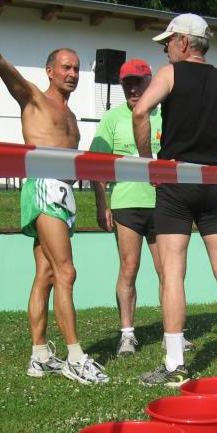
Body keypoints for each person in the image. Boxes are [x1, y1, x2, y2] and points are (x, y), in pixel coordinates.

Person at [0, 0, 108, 384]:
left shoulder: (72, 116)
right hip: (43, 188)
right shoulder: (33, 98)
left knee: (47, 274)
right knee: (66, 271)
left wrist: (99, 200)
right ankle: (75, 358)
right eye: (66, 67)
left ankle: (39, 355)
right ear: (50, 71)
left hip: (64, 195)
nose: (72, 73)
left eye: (77, 68)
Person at [132, 13, 217, 387]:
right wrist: (212, 141)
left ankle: (175, 365)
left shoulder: (170, 74)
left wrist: (148, 162)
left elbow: (140, 111)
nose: (166, 50)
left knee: (172, 272)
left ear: (183, 42)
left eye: (168, 42)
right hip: (214, 182)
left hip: (176, 180)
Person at [89, 59, 167, 357]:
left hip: (163, 204)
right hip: (125, 204)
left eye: (138, 82)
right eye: (127, 84)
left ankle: (172, 334)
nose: (133, 89)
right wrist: (101, 204)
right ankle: (127, 335)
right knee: (129, 268)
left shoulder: (166, 114)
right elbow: (95, 164)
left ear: (150, 82)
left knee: (167, 270)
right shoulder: (112, 118)